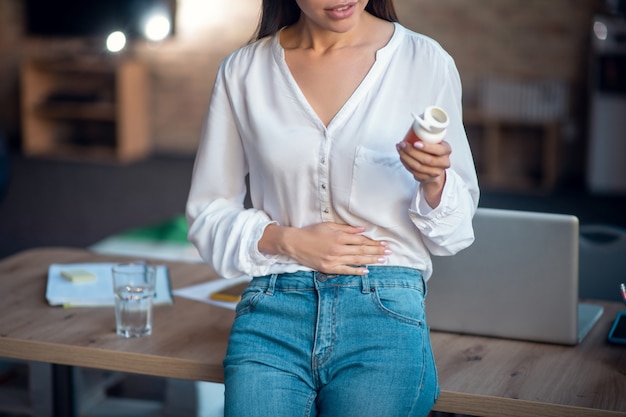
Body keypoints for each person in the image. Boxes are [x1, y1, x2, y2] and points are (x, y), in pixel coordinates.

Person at [186, 0, 480, 415]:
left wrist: (434, 180)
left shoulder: (425, 60)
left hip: (383, 310)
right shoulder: (244, 71)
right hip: (273, 308)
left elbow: (456, 231)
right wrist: (285, 240)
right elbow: (207, 212)